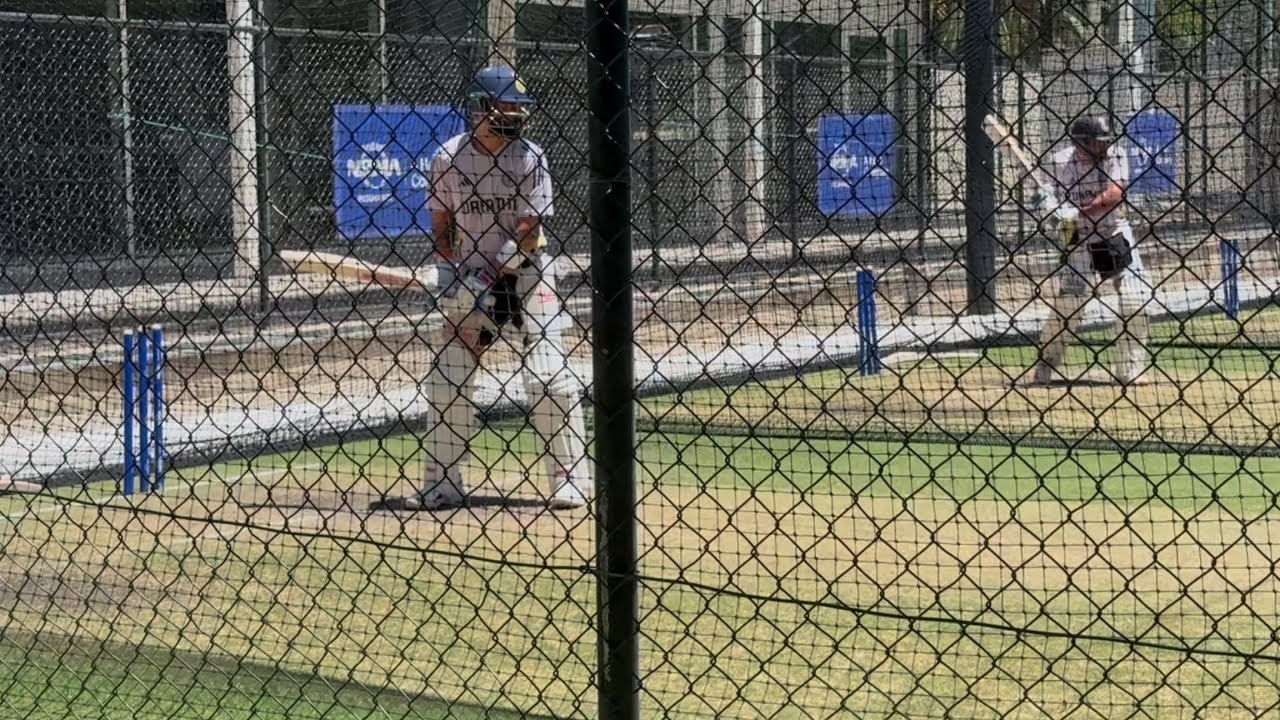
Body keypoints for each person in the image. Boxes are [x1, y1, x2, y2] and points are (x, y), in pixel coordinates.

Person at [399, 64, 590, 511]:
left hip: (527, 274)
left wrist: (491, 275)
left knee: (548, 377)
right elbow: (442, 222)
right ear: (481, 108)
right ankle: (442, 482)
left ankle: (570, 478)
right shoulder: (448, 158)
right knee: (448, 378)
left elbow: (529, 230)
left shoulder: (530, 157)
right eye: (507, 106)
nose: (516, 115)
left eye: (520, 108)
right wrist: (449, 275)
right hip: (470, 278)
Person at [1031, 116, 1154, 387]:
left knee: (1136, 297)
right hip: (1076, 233)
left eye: (1105, 142)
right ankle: (1046, 364)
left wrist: (1078, 210)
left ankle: (1129, 369)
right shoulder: (1060, 161)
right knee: (1072, 302)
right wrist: (1048, 208)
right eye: (1098, 143)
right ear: (1081, 143)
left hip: (1111, 230)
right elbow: (1044, 197)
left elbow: (1115, 194)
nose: (1104, 147)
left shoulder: (1116, 155)